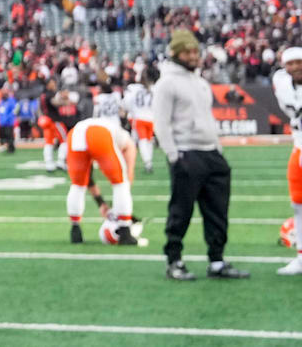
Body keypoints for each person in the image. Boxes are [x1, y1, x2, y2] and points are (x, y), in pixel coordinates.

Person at [154, 29, 248, 280]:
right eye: (187, 51)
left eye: (195, 50)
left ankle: (216, 261)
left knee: (218, 211)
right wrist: (174, 156)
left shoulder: (200, 82)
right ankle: (174, 260)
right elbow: (160, 124)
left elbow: (206, 118)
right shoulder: (166, 83)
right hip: (186, 152)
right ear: (175, 53)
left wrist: (217, 148)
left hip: (210, 153)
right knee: (180, 211)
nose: (193, 55)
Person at [64, 116, 137, 245]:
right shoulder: (123, 137)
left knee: (77, 185)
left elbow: (88, 177)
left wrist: (101, 203)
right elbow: (127, 172)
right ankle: (125, 230)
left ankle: (75, 230)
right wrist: (121, 206)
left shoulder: (108, 127)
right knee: (121, 183)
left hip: (75, 133)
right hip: (98, 134)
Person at [272, 47, 302, 275]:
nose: (295, 67)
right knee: (298, 204)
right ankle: (301, 257)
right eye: (290, 63)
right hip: (299, 145)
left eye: (299, 62)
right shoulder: (282, 84)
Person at [123, 71, 156, 174]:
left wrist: (132, 112)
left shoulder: (133, 89)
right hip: (151, 118)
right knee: (149, 140)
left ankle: (147, 162)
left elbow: (127, 103)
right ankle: (149, 161)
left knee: (142, 141)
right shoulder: (152, 89)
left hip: (139, 117)